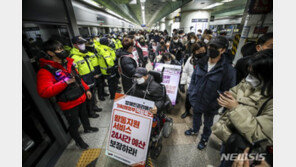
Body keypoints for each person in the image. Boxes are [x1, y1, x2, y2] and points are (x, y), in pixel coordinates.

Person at [212, 50, 273, 167]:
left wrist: (235, 107)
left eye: (254, 75)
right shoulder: (251, 81)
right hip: (229, 136)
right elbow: (235, 90)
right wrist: (228, 97)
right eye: (249, 73)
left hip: (244, 150)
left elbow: (259, 134)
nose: (249, 78)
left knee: (229, 162)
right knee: (224, 156)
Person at [37, 39, 98, 149]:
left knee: (84, 115)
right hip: (68, 104)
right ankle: (78, 141)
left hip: (81, 96)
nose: (62, 51)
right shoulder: (46, 70)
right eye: (59, 49)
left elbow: (78, 78)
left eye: (62, 48)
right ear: (50, 53)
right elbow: (44, 91)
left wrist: (87, 89)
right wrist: (64, 82)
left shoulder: (68, 63)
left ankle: (87, 127)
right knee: (74, 125)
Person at [185, 36, 236, 150]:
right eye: (210, 46)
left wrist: (216, 104)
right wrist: (192, 94)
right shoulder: (201, 62)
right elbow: (194, 79)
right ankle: (195, 129)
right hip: (197, 100)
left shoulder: (228, 70)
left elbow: (227, 90)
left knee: (208, 124)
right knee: (196, 117)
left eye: (215, 47)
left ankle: (204, 138)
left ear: (222, 50)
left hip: (211, 105)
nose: (211, 49)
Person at [69, 36, 100, 118]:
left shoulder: (84, 53)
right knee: (88, 97)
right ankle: (90, 112)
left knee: (93, 94)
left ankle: (94, 107)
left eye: (83, 43)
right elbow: (75, 72)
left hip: (90, 77)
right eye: (80, 43)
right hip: (84, 80)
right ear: (75, 45)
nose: (83, 45)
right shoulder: (73, 57)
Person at [180, 42, 207, 118]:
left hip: (201, 86)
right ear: (194, 51)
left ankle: (197, 114)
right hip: (190, 84)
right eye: (199, 52)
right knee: (188, 99)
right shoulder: (190, 59)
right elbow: (185, 71)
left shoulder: (208, 61)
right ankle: (187, 111)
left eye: (203, 51)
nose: (201, 53)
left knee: (198, 101)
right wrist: (182, 83)